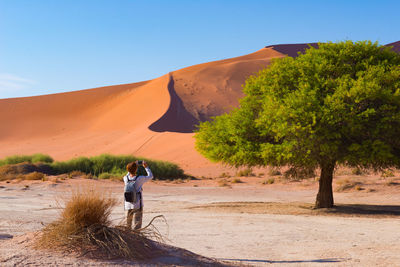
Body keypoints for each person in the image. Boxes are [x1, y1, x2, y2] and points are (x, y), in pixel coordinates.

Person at [123, 160, 153, 230]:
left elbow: (128, 174)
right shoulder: (140, 178)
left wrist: (133, 165)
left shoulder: (125, 178)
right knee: (137, 225)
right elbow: (150, 176)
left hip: (127, 204)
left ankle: (128, 237)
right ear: (136, 169)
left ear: (128, 169)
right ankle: (136, 238)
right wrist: (146, 167)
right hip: (137, 204)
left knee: (127, 224)